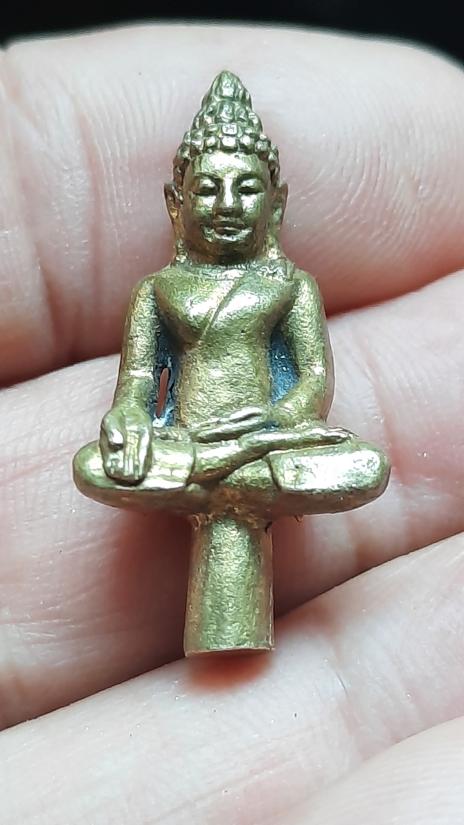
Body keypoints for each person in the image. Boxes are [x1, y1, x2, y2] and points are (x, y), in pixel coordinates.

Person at [0, 22, 463, 824]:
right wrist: (130, 425)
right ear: (175, 203)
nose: (225, 206)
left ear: (276, 203)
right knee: (91, 465)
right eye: (208, 189)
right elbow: (137, 386)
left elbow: (312, 382)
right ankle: (222, 492)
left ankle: (234, 491)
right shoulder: (158, 291)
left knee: (366, 465)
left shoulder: (290, 286)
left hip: (266, 447)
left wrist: (265, 425)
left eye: (246, 189)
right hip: (186, 452)